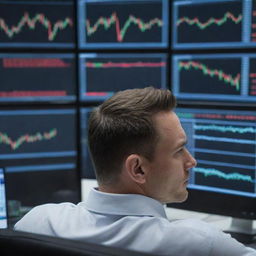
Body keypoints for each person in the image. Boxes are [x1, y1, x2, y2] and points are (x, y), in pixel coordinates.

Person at [14, 87, 256, 255]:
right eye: (179, 150)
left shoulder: (38, 223)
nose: (191, 161)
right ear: (138, 169)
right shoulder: (199, 243)